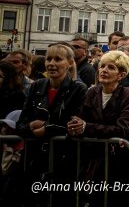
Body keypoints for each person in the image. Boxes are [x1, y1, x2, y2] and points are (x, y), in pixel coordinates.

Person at [17, 43, 88, 206]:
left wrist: (47, 129)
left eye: (58, 59)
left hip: (63, 159)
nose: (51, 63)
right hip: (33, 158)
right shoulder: (37, 86)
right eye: (49, 59)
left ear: (70, 63)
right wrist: (31, 129)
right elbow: (21, 124)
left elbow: (73, 125)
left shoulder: (78, 89)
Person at [68, 50, 129, 207]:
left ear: (121, 75)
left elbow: (122, 129)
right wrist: (74, 126)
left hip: (116, 161)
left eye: (111, 67)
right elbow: (80, 119)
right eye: (102, 66)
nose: (104, 70)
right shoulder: (92, 92)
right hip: (92, 159)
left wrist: (87, 127)